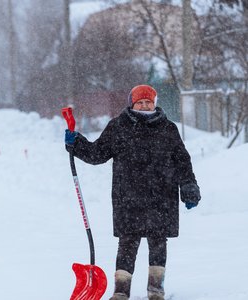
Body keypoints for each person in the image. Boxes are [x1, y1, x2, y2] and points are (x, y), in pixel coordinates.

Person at [64, 84, 201, 300]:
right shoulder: (119, 127)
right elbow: (97, 153)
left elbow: (182, 161)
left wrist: (189, 186)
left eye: (148, 101)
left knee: (158, 242)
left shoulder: (168, 128)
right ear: (132, 103)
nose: (145, 105)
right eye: (140, 101)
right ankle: (121, 291)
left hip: (161, 195)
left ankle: (156, 289)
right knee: (127, 243)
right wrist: (77, 143)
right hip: (128, 197)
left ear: (154, 103)